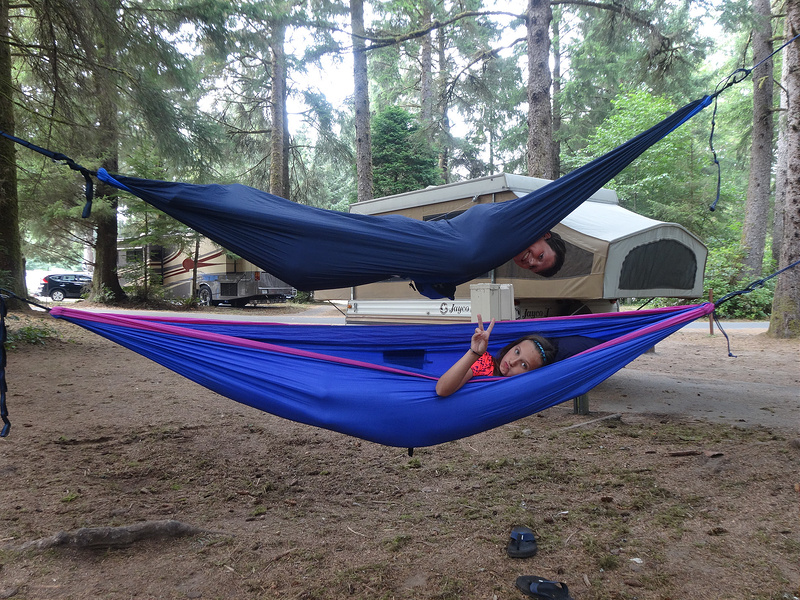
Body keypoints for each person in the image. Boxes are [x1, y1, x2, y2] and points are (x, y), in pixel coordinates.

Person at [435, 315, 556, 397]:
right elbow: (442, 390)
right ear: (511, 347)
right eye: (517, 351)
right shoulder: (486, 363)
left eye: (524, 365)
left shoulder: (519, 391)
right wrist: (474, 353)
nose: (513, 362)